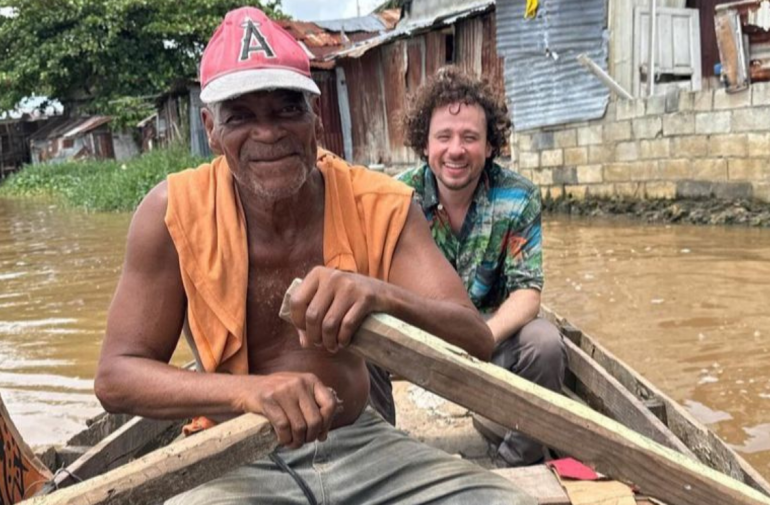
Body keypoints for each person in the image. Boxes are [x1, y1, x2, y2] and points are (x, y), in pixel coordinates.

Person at [94, 7, 535, 505]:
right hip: (234, 454)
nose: (268, 133)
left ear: (314, 116)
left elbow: (473, 338)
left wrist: (380, 295)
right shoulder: (171, 212)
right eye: (241, 116)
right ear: (210, 129)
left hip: (360, 442)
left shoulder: (379, 202)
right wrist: (246, 393)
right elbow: (117, 375)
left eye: (287, 109)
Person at [396, 66, 567, 468]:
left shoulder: (518, 197)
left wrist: (479, 337)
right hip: (416, 340)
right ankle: (388, 461)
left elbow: (527, 292)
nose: (456, 150)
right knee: (353, 337)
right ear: (425, 144)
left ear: (490, 145)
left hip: (490, 337)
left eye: (470, 137)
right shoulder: (396, 197)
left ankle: (516, 463)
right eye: (444, 136)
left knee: (545, 343)